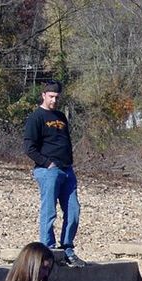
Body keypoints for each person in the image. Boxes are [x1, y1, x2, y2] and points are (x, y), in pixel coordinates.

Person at [24, 80, 86, 267]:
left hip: (67, 170)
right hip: (48, 171)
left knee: (73, 210)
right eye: (51, 96)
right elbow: (29, 147)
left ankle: (67, 249)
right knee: (49, 211)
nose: (54, 100)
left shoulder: (60, 117)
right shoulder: (36, 117)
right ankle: (47, 250)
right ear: (43, 95)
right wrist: (47, 163)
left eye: (57, 97)